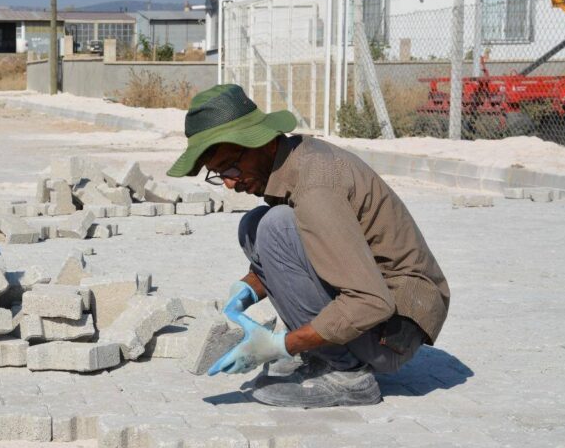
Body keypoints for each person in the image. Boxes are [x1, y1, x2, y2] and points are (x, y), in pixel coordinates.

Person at [167, 84, 449, 408]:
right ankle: (323, 355)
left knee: (274, 227)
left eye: (230, 167)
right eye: (218, 174)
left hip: (394, 330)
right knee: (256, 225)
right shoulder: (291, 162)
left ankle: (347, 376)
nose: (229, 183)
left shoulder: (315, 188)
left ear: (262, 142)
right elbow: (312, 253)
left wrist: (284, 345)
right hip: (382, 309)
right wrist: (247, 289)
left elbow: (372, 302)